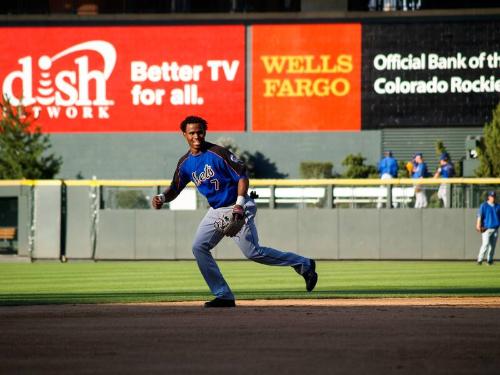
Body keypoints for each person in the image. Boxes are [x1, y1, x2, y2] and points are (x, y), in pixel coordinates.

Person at [151, 115, 318, 308]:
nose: (196, 136)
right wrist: (162, 198)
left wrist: (239, 205)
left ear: (204, 132)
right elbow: (175, 188)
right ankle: (223, 295)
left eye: (199, 131)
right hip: (217, 210)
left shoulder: (217, 153)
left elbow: (242, 176)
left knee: (253, 252)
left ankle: (304, 263)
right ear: (184, 135)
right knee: (199, 247)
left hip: (238, 205)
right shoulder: (185, 163)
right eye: (192, 133)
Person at [476, 191, 500, 265]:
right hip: (486, 229)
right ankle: (479, 260)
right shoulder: (484, 205)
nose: (493, 198)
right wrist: (478, 225)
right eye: (492, 196)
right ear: (489, 197)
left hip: (495, 228)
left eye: (494, 196)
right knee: (485, 244)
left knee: (492, 246)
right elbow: (480, 216)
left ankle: (490, 260)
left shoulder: (498, 206)